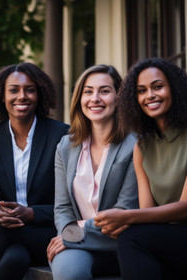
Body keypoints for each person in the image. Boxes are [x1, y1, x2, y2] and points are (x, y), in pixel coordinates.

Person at [94, 58, 187, 279]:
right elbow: (147, 213)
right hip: (176, 242)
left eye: (157, 86)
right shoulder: (142, 147)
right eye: (141, 90)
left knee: (132, 239)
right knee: (127, 242)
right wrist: (123, 222)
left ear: (175, 90)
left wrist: (125, 216)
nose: (150, 95)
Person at [0, 62, 69, 280]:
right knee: (14, 260)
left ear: (39, 95)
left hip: (45, 231)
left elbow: (69, 203)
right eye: (13, 90)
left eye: (29, 90)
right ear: (2, 97)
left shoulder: (61, 135)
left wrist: (31, 213)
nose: (22, 96)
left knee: (8, 231)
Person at [46, 65, 138, 279]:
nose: (94, 98)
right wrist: (71, 235)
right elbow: (62, 208)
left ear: (119, 97)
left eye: (104, 91)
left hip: (120, 243)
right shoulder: (66, 146)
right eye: (88, 91)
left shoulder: (135, 145)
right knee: (70, 273)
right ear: (79, 98)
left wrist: (73, 235)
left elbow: (125, 210)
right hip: (77, 244)